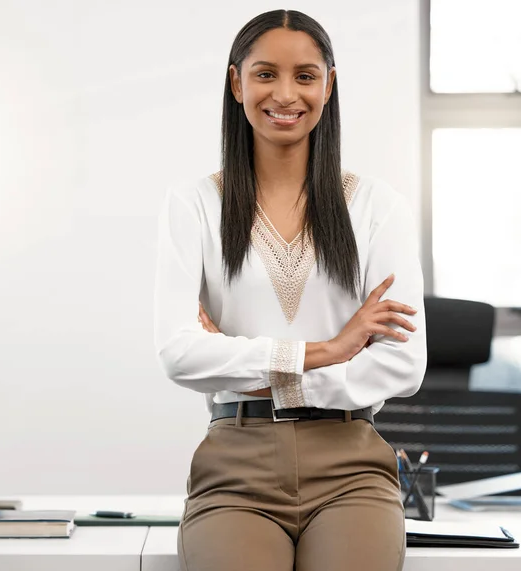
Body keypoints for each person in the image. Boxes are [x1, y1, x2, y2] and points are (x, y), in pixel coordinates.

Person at [154, 9, 427, 571]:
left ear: (329, 85)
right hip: (236, 466)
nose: (285, 94)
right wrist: (328, 350)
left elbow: (404, 364)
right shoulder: (195, 206)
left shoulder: (377, 207)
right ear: (236, 83)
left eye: (305, 75)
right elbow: (179, 353)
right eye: (264, 74)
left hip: (350, 465)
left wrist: (252, 368)